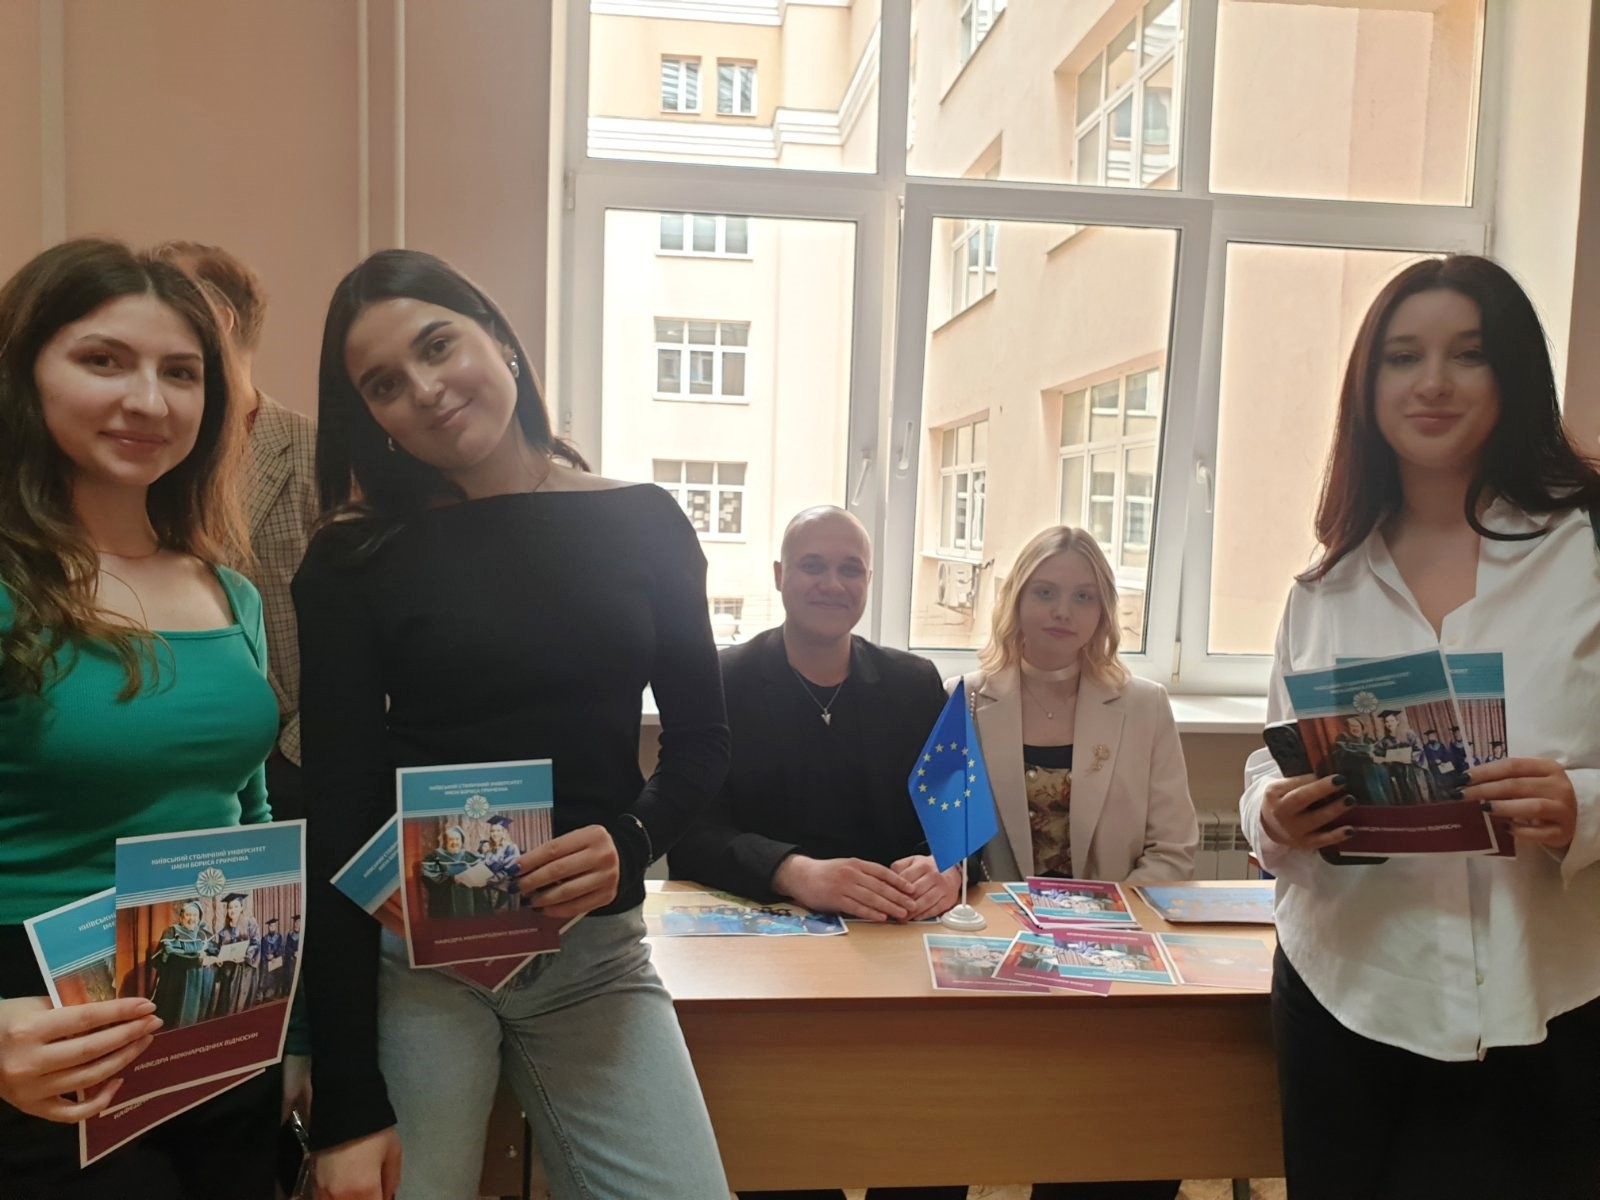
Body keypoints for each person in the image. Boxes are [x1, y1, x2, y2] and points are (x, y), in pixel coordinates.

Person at [294, 249, 730, 1200]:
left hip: (595, 960)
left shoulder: (645, 522)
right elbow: (337, 814)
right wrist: (346, 1099)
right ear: (371, 418)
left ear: (498, 336)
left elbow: (703, 744)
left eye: (437, 345)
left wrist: (632, 839)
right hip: (419, 964)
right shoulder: (352, 559)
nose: (425, 390)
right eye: (383, 384)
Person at [1239, 255, 1600, 1199]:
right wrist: (1269, 815)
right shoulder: (1326, 585)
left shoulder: (1587, 548)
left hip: (1554, 994)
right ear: (1368, 386)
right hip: (1349, 992)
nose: (1433, 382)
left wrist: (1585, 807)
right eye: (1403, 357)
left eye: (1468, 354)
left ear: (1512, 374)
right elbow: (1268, 758)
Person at [0, 239, 285, 1197]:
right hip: (45, 1034)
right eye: (103, 360)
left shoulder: (228, 592)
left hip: (219, 1008)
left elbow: (245, 813)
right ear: (25, 371)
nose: (149, 401)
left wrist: (289, 1030)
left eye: (181, 373)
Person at [954, 526, 1196, 1200]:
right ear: (1016, 599)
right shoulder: (964, 698)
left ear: (1103, 611)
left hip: (1116, 953)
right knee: (968, 1119)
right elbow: (950, 851)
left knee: (1128, 1137)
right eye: (1046, 592)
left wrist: (1101, 934)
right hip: (1002, 956)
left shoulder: (1143, 704)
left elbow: (1173, 849)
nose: (1063, 611)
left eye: (1083, 596)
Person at [669, 506, 961, 932]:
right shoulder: (720, 682)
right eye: (813, 566)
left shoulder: (916, 683)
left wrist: (948, 865)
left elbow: (960, 815)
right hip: (760, 928)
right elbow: (689, 834)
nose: (833, 584)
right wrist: (794, 872)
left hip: (894, 926)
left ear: (868, 580)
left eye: (851, 569)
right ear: (779, 575)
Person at [152, 241, 318, 824]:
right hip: (149, 766)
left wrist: (284, 762)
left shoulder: (320, 456)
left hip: (291, 774)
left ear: (217, 317)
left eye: (167, 297)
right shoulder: (140, 454)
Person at [149, 901, 218, 1030]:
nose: (192, 919)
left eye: (195, 915)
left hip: (201, 983)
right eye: (188, 915)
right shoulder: (171, 933)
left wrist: (218, 957)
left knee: (199, 1019)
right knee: (176, 1020)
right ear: (181, 918)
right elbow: (172, 956)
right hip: (178, 982)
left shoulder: (203, 934)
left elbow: (215, 950)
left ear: (199, 918)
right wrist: (198, 960)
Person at [208, 892, 261, 1018]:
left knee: (242, 1005)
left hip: (245, 969)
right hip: (229, 971)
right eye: (230, 907)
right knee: (227, 1004)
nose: (232, 910)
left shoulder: (250, 923)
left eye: (236, 906)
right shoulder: (223, 931)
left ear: (241, 908)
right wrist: (219, 959)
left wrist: (245, 956)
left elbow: (256, 943)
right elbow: (220, 950)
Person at [417, 825, 484, 919]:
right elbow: (430, 879)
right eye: (451, 839)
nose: (454, 842)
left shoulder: (469, 857)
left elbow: (482, 878)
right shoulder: (434, 857)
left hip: (469, 903)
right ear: (445, 842)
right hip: (444, 904)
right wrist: (452, 878)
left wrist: (471, 876)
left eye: (457, 839)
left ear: (462, 841)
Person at [259, 916, 285, 1000]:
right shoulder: (264, 938)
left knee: (279, 972)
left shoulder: (279, 937)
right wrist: (268, 956)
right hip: (266, 960)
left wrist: (274, 955)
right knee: (264, 971)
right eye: (270, 926)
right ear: (268, 927)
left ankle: (276, 992)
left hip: (276, 959)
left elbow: (280, 948)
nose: (272, 928)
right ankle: (262, 993)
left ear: (275, 927)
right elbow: (263, 950)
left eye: (274, 926)